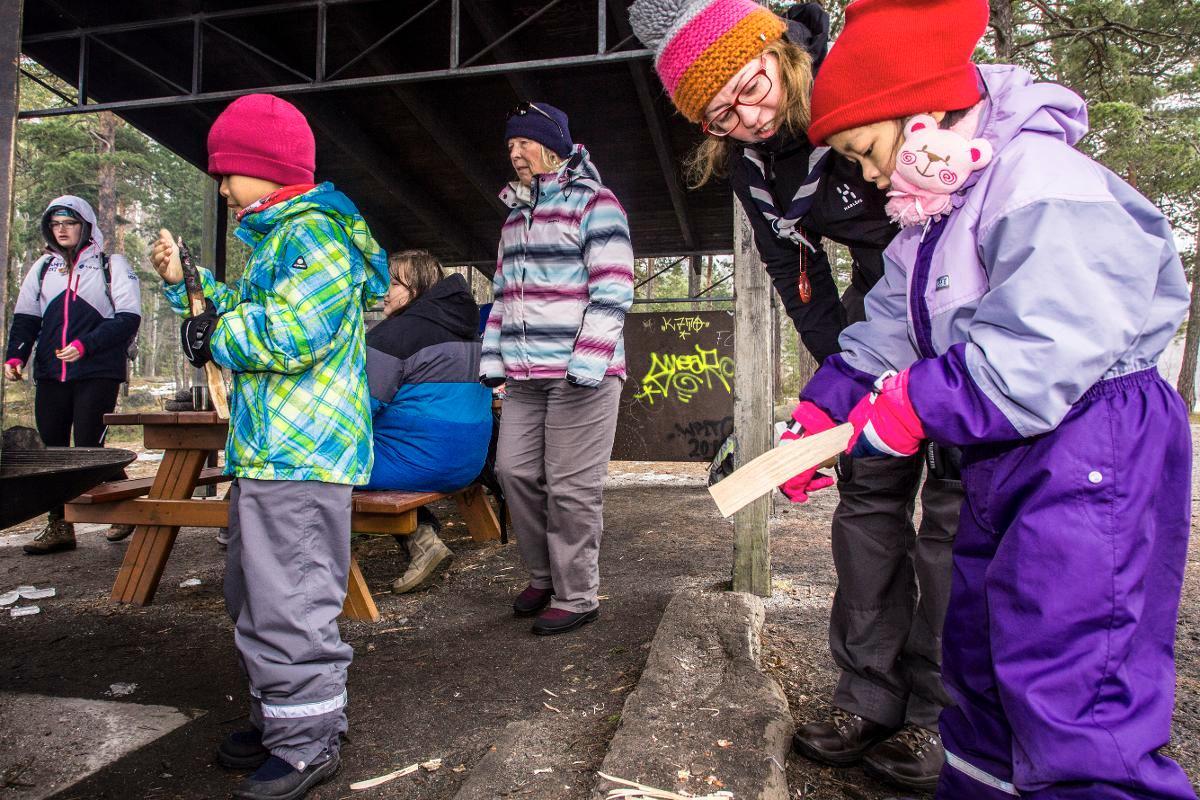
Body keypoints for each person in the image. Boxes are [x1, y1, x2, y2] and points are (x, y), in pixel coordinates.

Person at [786, 0, 1195, 796]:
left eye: (865, 150)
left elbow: (1044, 348)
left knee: (1071, 677)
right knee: (977, 655)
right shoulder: (933, 221)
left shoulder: (1042, 181)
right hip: (1004, 454)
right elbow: (890, 329)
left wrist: (913, 406)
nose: (867, 176)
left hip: (1091, 447)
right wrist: (827, 405)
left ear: (924, 110)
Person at [628, 0, 961, 788]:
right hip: (869, 329)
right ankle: (868, 695)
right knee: (869, 505)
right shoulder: (751, 166)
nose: (746, 116)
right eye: (719, 115)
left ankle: (938, 718)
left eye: (750, 87)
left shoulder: (858, 89)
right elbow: (796, 275)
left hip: (949, 312)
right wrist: (833, 392)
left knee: (952, 520)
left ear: (781, 54)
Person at [148, 93, 387, 800]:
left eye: (229, 173)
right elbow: (248, 314)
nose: (221, 187)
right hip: (271, 451)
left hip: (304, 453)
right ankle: (281, 714)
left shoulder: (314, 235)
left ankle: (307, 741)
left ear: (271, 170)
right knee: (254, 593)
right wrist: (184, 288)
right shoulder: (279, 238)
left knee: (289, 600)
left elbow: (288, 334)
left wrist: (213, 335)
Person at [481, 101, 634, 636]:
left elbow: (613, 288)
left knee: (571, 487)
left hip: (581, 375)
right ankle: (543, 575)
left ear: (552, 145)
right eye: (509, 146)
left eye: (523, 142)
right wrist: (492, 363)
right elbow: (501, 298)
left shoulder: (596, 203)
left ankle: (577, 594)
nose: (514, 153)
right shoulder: (515, 217)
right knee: (514, 472)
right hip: (525, 377)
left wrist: (587, 362)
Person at [5, 195, 141, 553]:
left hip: (97, 371)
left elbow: (128, 318)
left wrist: (86, 345)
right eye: (55, 223)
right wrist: (16, 357)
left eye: (69, 222)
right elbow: (26, 318)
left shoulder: (111, 265)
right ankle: (60, 525)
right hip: (51, 372)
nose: (62, 230)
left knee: (88, 446)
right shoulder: (42, 268)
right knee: (52, 452)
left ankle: (123, 508)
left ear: (86, 225)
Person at [363, 249, 493, 592]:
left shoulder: (392, 336)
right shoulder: (471, 330)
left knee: (321, 465)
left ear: (417, 288)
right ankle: (419, 536)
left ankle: (422, 540)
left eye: (394, 282)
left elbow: (358, 409)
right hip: (470, 462)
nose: (384, 291)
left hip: (421, 464)